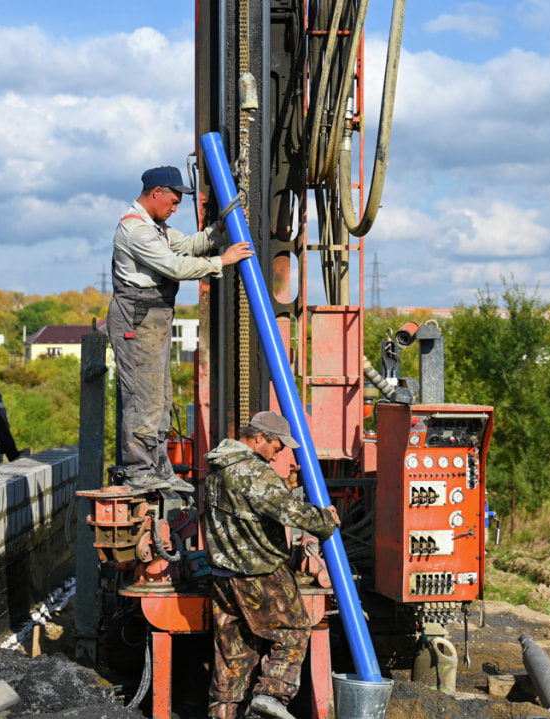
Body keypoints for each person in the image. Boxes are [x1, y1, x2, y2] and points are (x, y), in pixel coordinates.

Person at [110, 165, 253, 492]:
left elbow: (189, 245)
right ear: (155, 192)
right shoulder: (137, 231)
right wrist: (223, 261)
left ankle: (159, 470)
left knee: (159, 398)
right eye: (173, 201)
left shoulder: (157, 228)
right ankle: (138, 473)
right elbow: (175, 265)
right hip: (138, 324)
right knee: (143, 400)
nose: (175, 208)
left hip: (152, 324)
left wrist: (220, 229)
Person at [202, 411, 341, 719]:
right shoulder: (253, 471)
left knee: (232, 659)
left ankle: (223, 715)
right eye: (278, 445)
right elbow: (290, 513)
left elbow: (249, 505)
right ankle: (271, 695)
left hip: (224, 578)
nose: (281, 452)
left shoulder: (218, 467)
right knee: (293, 633)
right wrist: (326, 520)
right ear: (260, 438)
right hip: (259, 573)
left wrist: (285, 485)